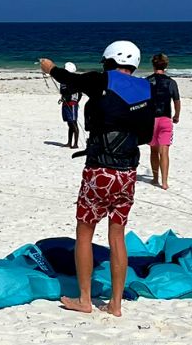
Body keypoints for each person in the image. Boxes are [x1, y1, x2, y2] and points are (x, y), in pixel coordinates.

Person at [40, 40, 153, 317]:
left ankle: (85, 299)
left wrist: (50, 67)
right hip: (128, 173)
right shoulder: (146, 88)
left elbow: (70, 79)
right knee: (117, 235)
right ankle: (115, 304)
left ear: (110, 59)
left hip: (100, 170)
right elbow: (147, 136)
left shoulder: (101, 79)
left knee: (85, 232)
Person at [145, 53, 182, 189]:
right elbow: (176, 101)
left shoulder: (147, 81)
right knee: (164, 151)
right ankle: (164, 182)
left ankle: (155, 178)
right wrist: (177, 115)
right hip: (165, 119)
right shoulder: (171, 82)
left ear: (153, 65)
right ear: (166, 65)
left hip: (151, 119)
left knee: (153, 151)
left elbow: (143, 101)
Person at [58, 62, 82, 149]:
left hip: (72, 103)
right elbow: (63, 91)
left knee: (73, 122)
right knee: (69, 123)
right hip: (65, 103)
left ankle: (75, 143)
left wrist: (76, 102)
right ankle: (69, 142)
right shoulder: (63, 81)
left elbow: (79, 93)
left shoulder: (74, 81)